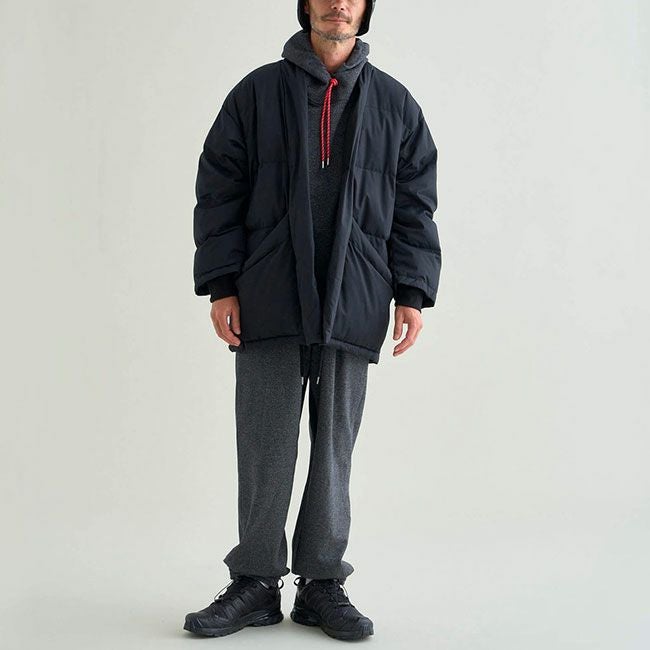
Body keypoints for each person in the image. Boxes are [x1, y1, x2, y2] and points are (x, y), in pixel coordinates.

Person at [184, 0, 441, 641]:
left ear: (366, 9)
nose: (338, 5)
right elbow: (218, 190)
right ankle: (255, 582)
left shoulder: (395, 104)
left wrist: (411, 291)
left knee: (333, 450)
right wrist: (222, 283)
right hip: (268, 295)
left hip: (355, 296)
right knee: (265, 444)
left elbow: (415, 205)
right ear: (305, 5)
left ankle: (322, 583)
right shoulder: (256, 94)